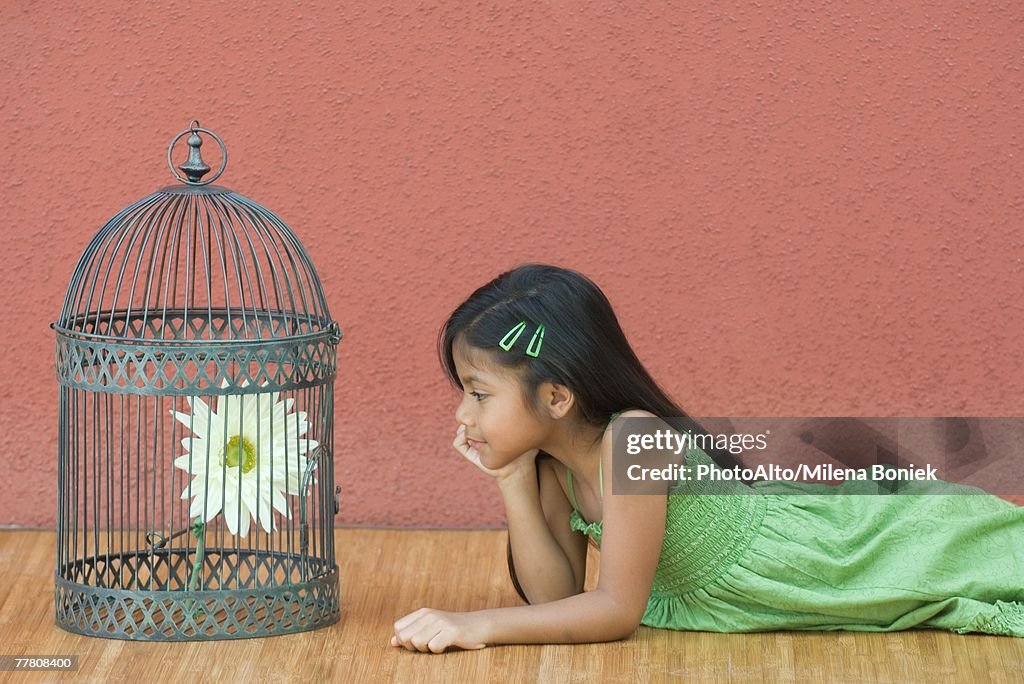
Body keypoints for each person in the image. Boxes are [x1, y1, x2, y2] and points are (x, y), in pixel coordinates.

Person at [390, 264, 1024, 653]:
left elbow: (614, 612)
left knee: (991, 559)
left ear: (556, 396)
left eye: (478, 394)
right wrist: (510, 482)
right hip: (771, 588)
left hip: (836, 554)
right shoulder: (550, 462)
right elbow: (555, 596)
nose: (463, 416)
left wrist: (477, 625)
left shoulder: (633, 439)